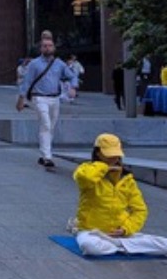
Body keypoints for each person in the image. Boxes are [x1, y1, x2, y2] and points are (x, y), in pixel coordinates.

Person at [71, 134, 167, 256]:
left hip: (119, 234)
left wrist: (126, 229)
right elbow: (85, 178)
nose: (113, 158)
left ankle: (117, 245)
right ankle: (122, 247)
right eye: (109, 155)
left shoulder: (127, 180)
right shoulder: (87, 170)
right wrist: (104, 167)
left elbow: (140, 210)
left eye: (115, 155)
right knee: (90, 246)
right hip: (92, 232)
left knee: (164, 244)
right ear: (98, 153)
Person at [16, 33, 79, 168]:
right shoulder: (34, 64)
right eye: (45, 46)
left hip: (54, 98)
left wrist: (73, 87)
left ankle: (44, 153)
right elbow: (27, 82)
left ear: (54, 48)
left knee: (50, 126)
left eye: (50, 46)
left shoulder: (59, 64)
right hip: (39, 97)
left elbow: (72, 76)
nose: (47, 48)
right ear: (41, 49)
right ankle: (47, 156)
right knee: (46, 124)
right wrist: (21, 98)